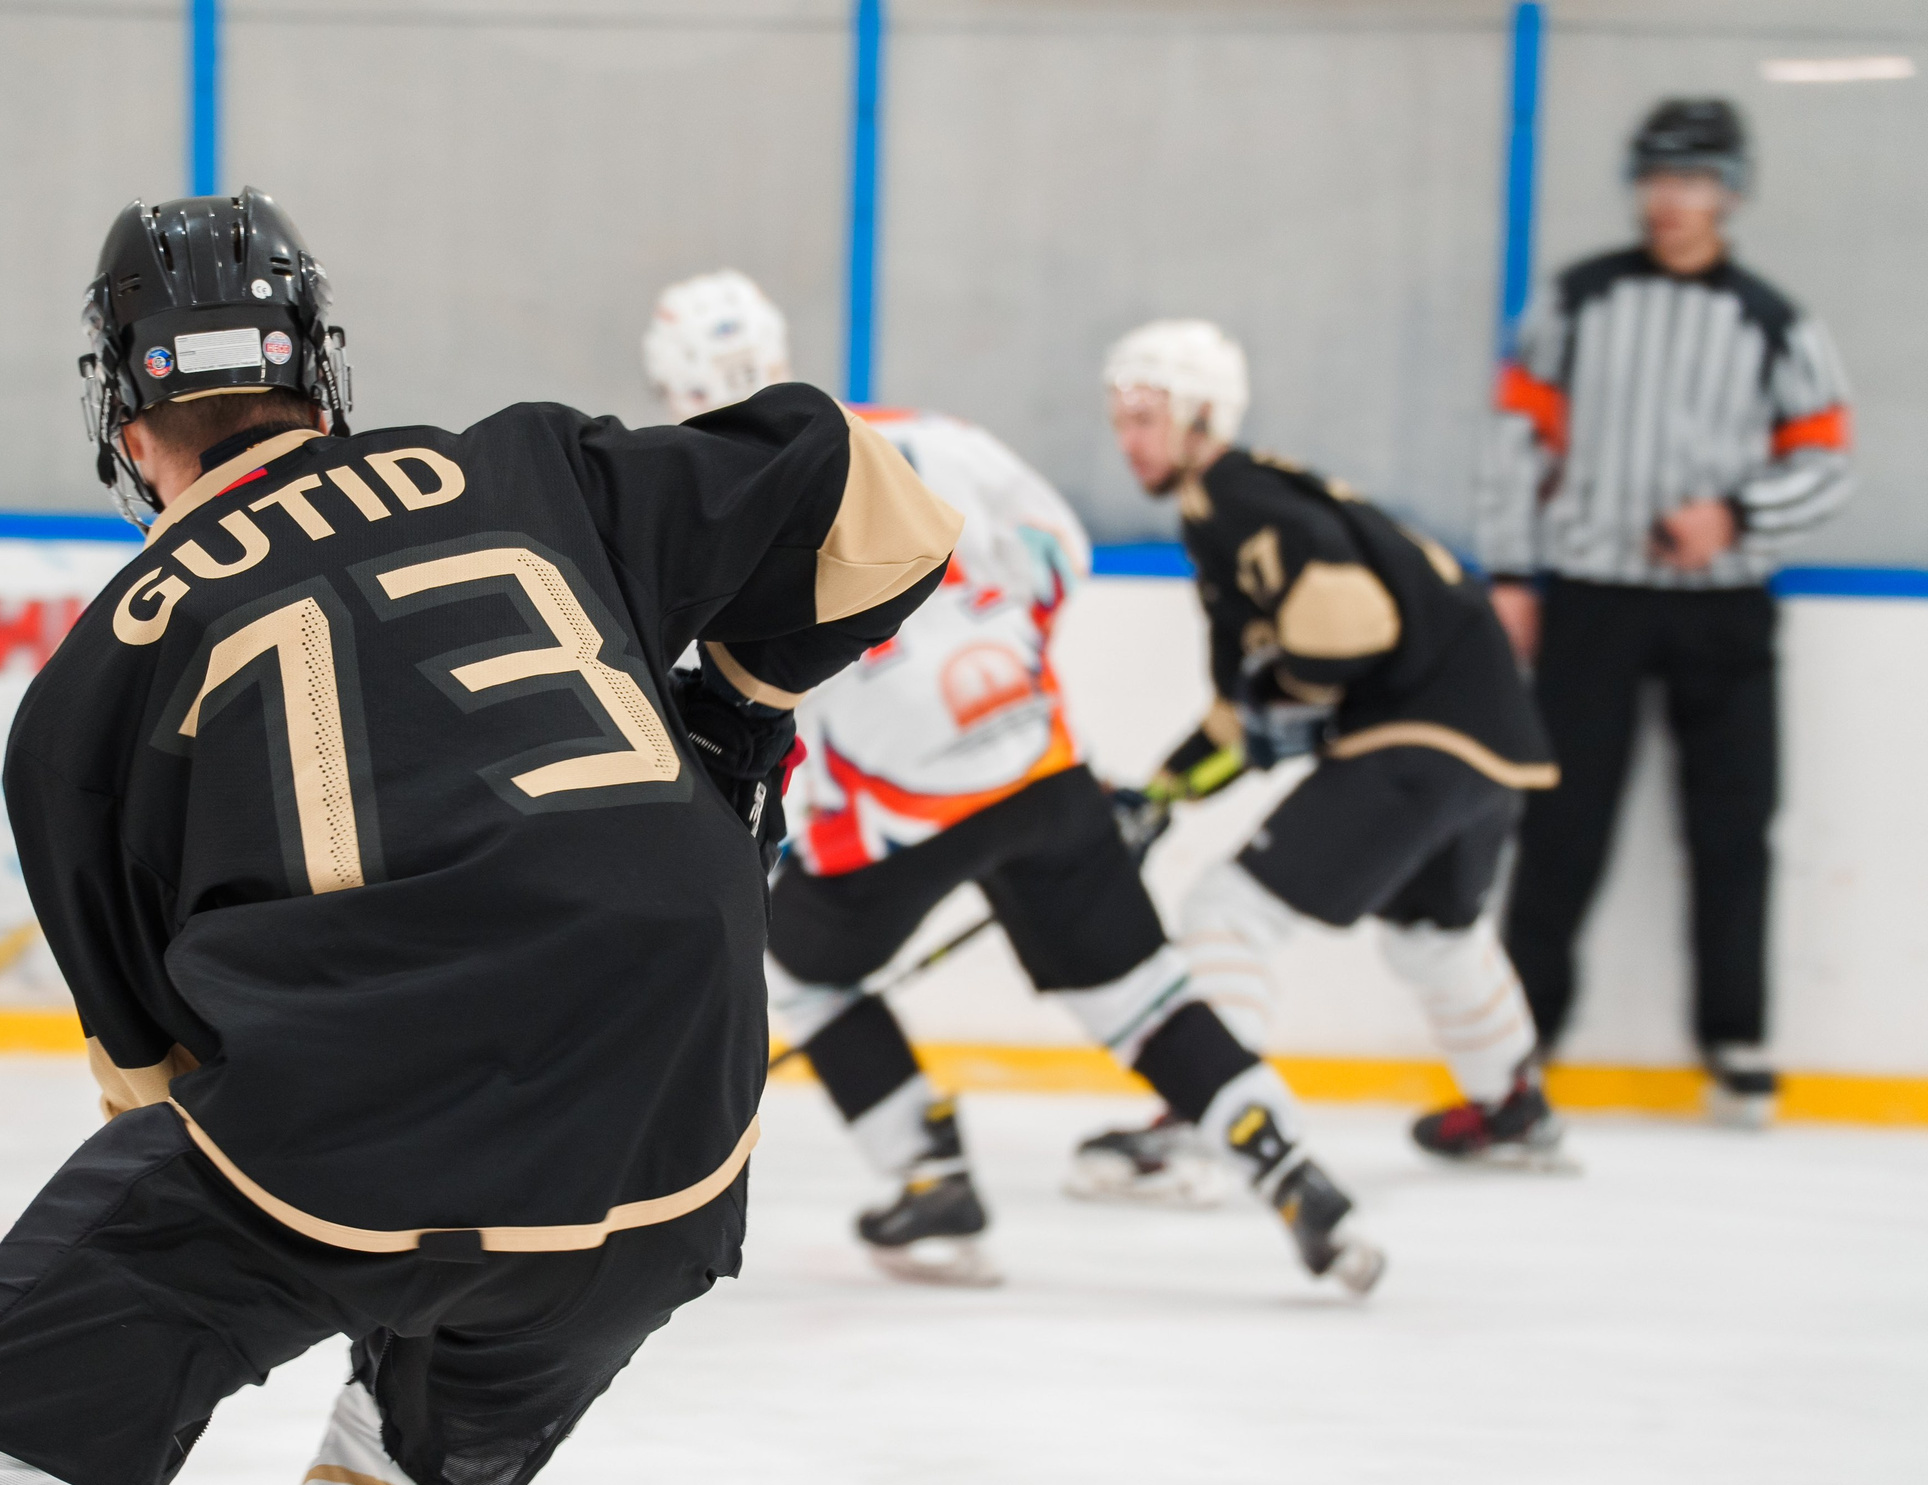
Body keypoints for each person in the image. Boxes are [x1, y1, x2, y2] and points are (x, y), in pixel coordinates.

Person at [0, 189, 959, 1485]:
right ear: (317, 372)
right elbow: (882, 498)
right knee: (418, 1463)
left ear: (126, 417)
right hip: (678, 1122)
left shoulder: (88, 688)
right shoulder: (525, 465)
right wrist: (737, 704)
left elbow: (158, 1082)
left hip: (352, 1102)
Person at [643, 270, 1384, 1296]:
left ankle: (931, 1174)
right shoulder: (928, 435)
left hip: (900, 810)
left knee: (792, 969)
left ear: (672, 386)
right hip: (1040, 765)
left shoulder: (709, 501)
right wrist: (1012, 665)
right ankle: (1289, 1166)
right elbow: (1059, 546)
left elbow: (719, 685)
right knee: (1140, 994)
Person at [1083, 320, 1570, 1179]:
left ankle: (1207, 1117)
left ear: (1202, 416)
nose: (1129, 438)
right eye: (1121, 418)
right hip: (1490, 744)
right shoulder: (1252, 497)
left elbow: (1347, 632)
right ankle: (1512, 1106)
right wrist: (1161, 789)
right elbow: (1247, 714)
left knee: (1227, 911)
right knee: (1433, 936)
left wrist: (1289, 694)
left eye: (1147, 416)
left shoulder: (1234, 499)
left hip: (1416, 737)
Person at [1478, 98, 1855, 1128]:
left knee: (1734, 823)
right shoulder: (1578, 302)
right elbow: (1516, 442)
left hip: (1722, 607)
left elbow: (1825, 463)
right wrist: (1512, 572)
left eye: (1690, 181)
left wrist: (1734, 514)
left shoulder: (1773, 320)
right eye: (1654, 178)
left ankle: (1733, 1035)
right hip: (1595, 598)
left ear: (1728, 193)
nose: (1669, 200)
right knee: (1560, 817)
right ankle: (1521, 1035)